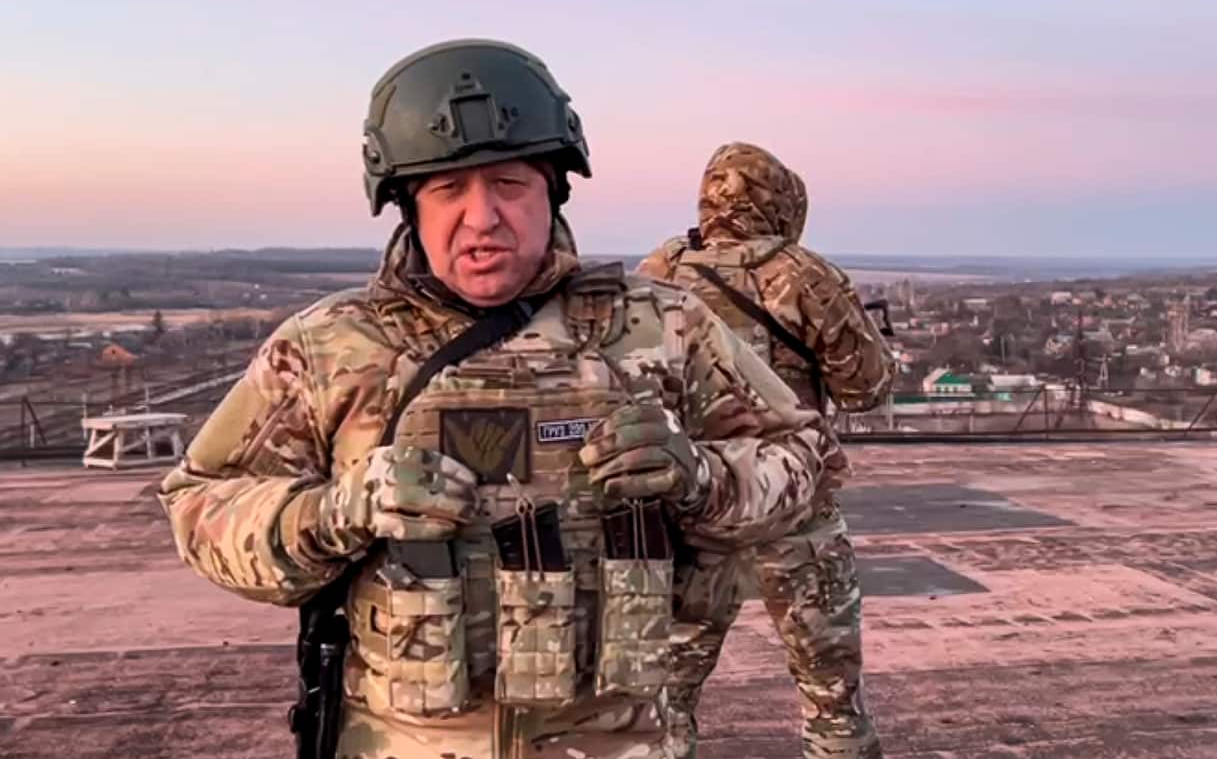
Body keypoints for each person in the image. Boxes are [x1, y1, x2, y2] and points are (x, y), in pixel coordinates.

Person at [158, 42, 846, 759]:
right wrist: (337, 511)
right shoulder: (332, 347)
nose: (483, 216)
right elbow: (200, 507)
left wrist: (700, 477)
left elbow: (803, 459)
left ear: (553, 189)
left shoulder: (661, 327)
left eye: (510, 184)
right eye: (449, 189)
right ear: (405, 205)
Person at [638, 141, 896, 759]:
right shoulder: (803, 275)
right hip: (793, 513)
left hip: (691, 516)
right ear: (777, 201)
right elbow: (866, 388)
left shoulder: (659, 272)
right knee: (833, 702)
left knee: (660, 711)